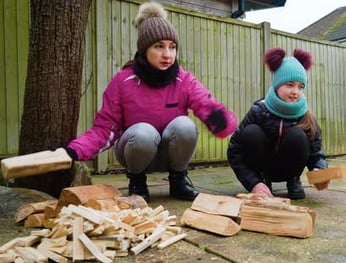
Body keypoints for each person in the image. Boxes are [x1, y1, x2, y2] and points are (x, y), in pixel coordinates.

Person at [64, 2, 238, 202]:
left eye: (172, 47)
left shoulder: (183, 79)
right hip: (136, 150)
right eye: (159, 46)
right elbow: (104, 129)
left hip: (169, 154)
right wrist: (74, 150)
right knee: (143, 131)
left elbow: (204, 102)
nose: (167, 54)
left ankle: (179, 180)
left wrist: (222, 121)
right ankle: (137, 182)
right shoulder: (123, 81)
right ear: (145, 49)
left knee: (185, 125)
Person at [227, 47, 330, 200]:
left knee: (298, 135)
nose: (296, 91)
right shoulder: (259, 110)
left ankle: (293, 181)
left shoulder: (305, 114)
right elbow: (235, 150)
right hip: (262, 169)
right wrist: (253, 183)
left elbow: (316, 153)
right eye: (290, 85)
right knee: (251, 132)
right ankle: (263, 182)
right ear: (277, 84)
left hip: (289, 168)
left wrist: (319, 169)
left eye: (300, 86)